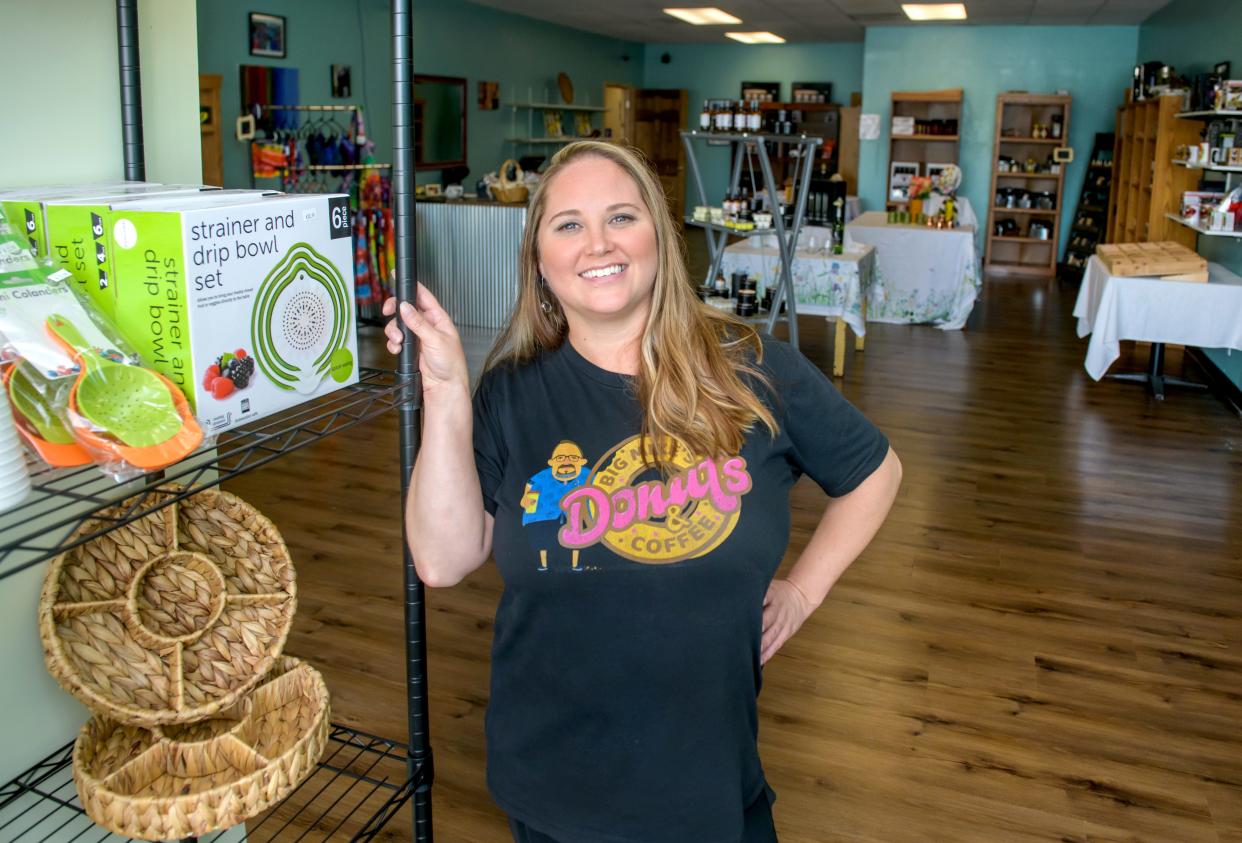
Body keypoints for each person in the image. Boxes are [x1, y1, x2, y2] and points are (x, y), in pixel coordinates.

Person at [383, 140, 902, 843]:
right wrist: (446, 392)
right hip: (553, 787)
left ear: (659, 234)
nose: (598, 243)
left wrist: (803, 593)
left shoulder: (753, 370)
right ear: (539, 259)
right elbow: (443, 560)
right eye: (568, 224)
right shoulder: (512, 391)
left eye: (621, 217)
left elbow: (876, 470)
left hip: (711, 786)